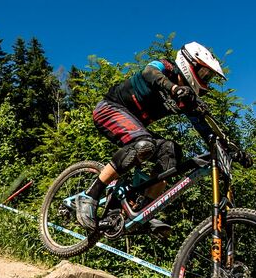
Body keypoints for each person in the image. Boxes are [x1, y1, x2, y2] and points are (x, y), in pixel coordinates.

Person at [75, 42, 246, 234]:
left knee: (171, 152)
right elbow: (149, 72)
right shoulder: (165, 67)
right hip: (110, 109)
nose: (206, 80)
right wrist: (173, 88)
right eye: (205, 74)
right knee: (144, 144)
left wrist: (230, 148)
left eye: (209, 77)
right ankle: (90, 195)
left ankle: (142, 210)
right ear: (189, 63)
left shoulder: (186, 100)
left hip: (135, 127)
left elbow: (206, 129)